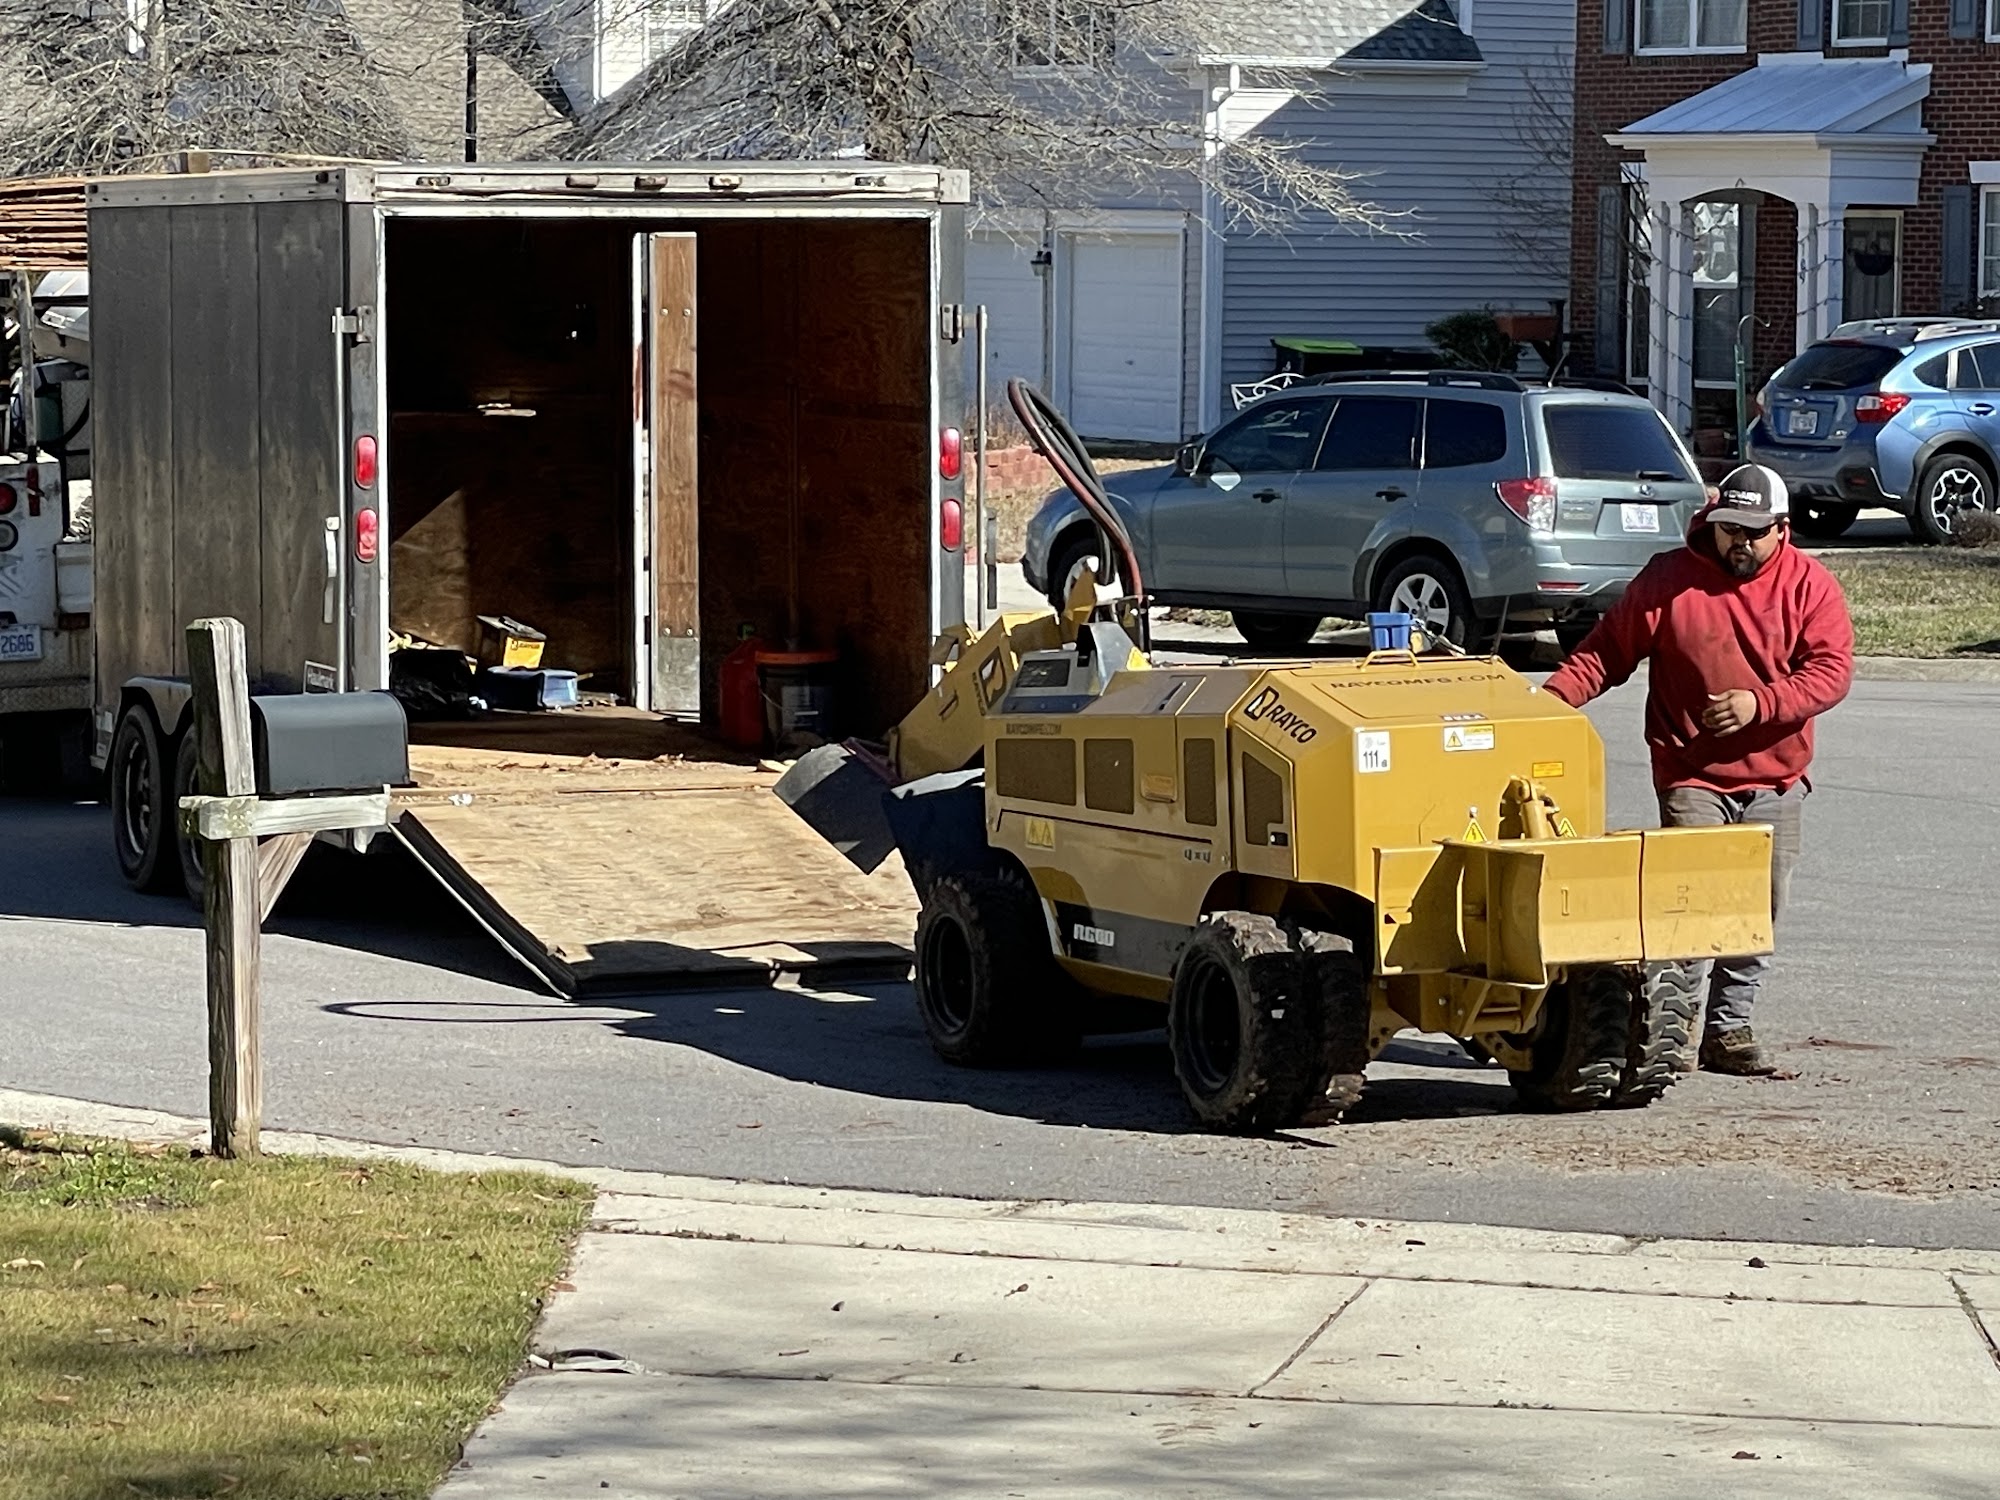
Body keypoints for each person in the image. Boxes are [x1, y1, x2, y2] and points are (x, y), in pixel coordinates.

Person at [1542, 463, 1854, 1076]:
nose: (1739, 541)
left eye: (1753, 531)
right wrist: (1546, 705)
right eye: (1728, 527)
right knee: (1689, 905)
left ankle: (1728, 1030)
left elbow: (1830, 671)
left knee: (1755, 909)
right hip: (1691, 773)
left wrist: (1760, 703)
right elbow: (1606, 654)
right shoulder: (1670, 580)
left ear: (1782, 530)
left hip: (1775, 777)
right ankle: (1671, 1030)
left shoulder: (1810, 586)